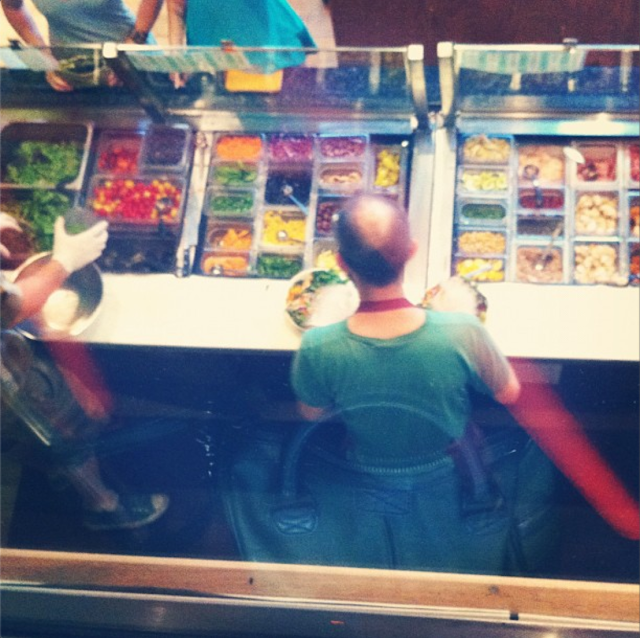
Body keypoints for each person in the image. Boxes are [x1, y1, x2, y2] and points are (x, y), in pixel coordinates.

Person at [290, 194, 638, 573]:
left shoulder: (318, 345)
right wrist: (456, 318)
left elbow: (311, 413)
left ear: (341, 264)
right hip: (452, 473)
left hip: (366, 474)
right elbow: (509, 391)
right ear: (411, 252)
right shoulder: (462, 331)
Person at [1, 212, 170, 531]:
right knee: (63, 432)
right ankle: (105, 507)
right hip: (9, 387)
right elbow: (11, 306)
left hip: (11, 363)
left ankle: (62, 468)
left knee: (46, 434)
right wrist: (64, 261)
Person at [1, 0, 162, 91]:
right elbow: (12, 6)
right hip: (71, 71)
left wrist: (133, 44)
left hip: (131, 63)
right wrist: (44, 56)